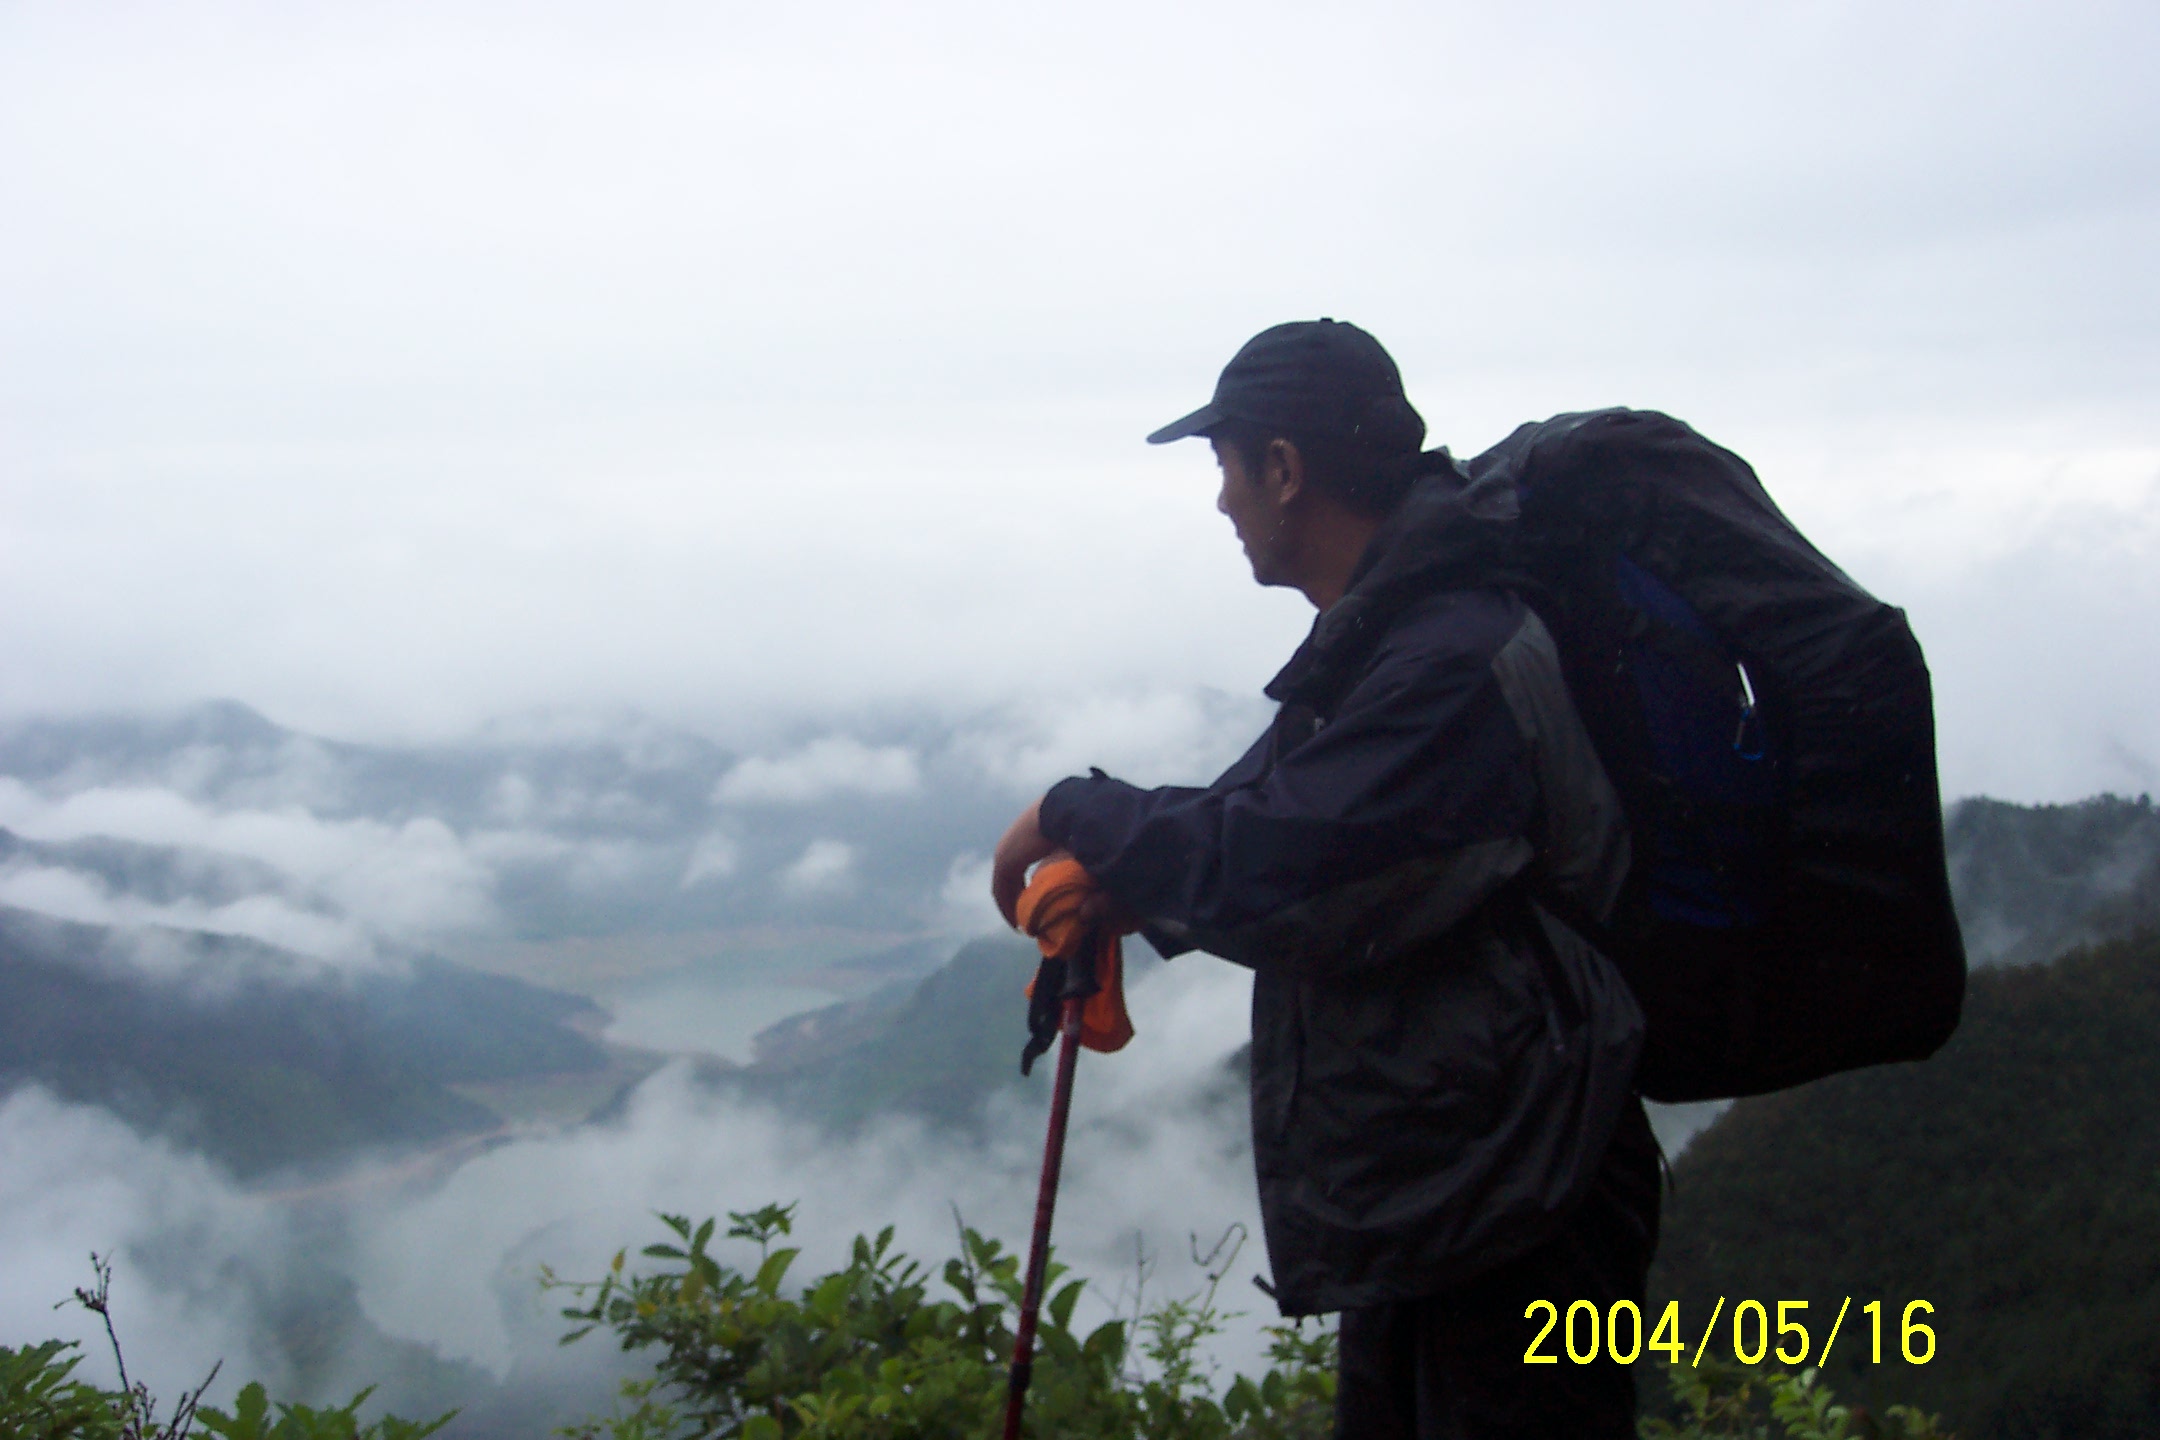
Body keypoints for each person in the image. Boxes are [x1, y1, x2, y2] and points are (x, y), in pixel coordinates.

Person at [990, 319, 1661, 1438]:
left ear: (1284, 469)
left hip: (1528, 1203)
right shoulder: (1389, 639)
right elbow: (1276, 819)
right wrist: (1120, 877)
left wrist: (1069, 811)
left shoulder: (1450, 655)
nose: (1221, 501)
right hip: (1452, 1180)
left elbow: (1276, 866)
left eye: (1225, 466)